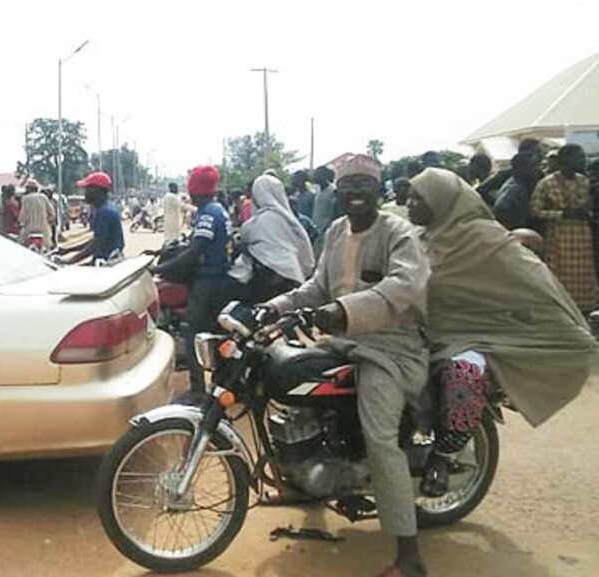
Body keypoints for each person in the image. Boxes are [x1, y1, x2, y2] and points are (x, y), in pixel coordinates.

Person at [263, 154, 431, 577]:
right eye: (348, 185)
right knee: (291, 384)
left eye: (364, 184)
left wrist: (342, 310)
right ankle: (304, 480)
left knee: (379, 436)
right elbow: (317, 285)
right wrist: (276, 305)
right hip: (343, 341)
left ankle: (409, 557)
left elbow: (405, 284)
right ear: (337, 191)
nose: (355, 191)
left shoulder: (397, 232)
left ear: (379, 188)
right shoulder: (337, 230)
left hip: (390, 348)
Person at [407, 168, 597, 498]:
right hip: (415, 333)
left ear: (441, 202)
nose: (409, 204)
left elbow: (534, 281)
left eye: (417, 198)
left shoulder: (485, 239)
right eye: (408, 197)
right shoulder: (414, 237)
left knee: (464, 372)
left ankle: (443, 456)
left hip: (472, 336)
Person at [152, 165, 232, 394]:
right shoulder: (217, 210)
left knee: (192, 330)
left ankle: (197, 391)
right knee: (215, 333)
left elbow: (194, 252)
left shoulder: (208, 213)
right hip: (218, 279)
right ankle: (221, 384)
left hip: (208, 281)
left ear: (195, 190)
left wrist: (158, 270)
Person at [227, 173, 314, 303]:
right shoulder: (289, 220)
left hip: (267, 281)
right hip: (293, 277)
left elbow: (245, 235)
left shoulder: (263, 219)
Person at [530, 144, 597, 311]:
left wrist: (586, 213)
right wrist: (562, 214)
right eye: (579, 157)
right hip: (560, 238)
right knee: (561, 277)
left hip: (582, 237)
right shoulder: (547, 183)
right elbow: (535, 211)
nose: (583, 160)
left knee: (584, 278)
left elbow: (589, 208)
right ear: (565, 160)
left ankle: (585, 312)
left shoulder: (584, 181)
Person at [61, 172, 124, 265]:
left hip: (106, 262)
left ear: (97, 191)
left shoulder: (105, 212)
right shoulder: (104, 209)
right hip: (106, 259)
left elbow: (96, 244)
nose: (85, 193)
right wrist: (68, 250)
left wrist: (70, 260)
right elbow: (95, 240)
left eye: (87, 189)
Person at [492, 152, 539, 231]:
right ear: (521, 168)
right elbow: (501, 209)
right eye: (532, 166)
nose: (536, 170)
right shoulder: (515, 188)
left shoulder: (519, 184)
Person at [18, 179, 56, 249]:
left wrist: (21, 223)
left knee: (21, 247)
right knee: (47, 248)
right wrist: (48, 221)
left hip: (29, 230)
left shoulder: (25, 199)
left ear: (28, 189)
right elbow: (52, 214)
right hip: (43, 230)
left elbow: (22, 217)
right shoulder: (43, 197)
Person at [311, 166, 340, 240]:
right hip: (316, 228)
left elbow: (333, 213)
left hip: (327, 229)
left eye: (317, 174)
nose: (314, 177)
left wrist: (325, 228)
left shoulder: (333, 191)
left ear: (323, 176)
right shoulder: (317, 190)